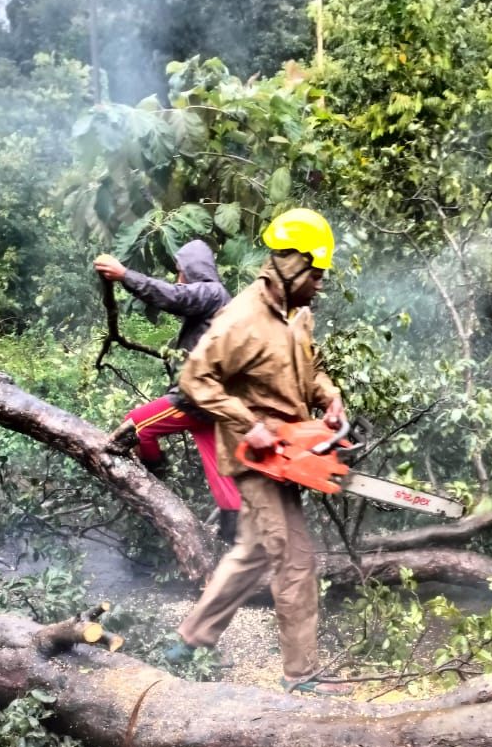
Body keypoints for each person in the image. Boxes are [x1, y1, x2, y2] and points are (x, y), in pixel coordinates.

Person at [164, 208, 353, 696]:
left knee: (251, 552)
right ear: (291, 266)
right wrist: (249, 424)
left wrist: (329, 398)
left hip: (289, 452)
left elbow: (309, 375)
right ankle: (302, 676)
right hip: (255, 460)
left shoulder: (294, 317)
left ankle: (187, 640)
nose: (319, 285)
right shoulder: (241, 319)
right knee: (294, 561)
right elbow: (194, 379)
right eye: (316, 275)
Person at [94, 241, 241, 543]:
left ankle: (154, 475)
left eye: (179, 272)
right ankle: (236, 542)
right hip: (213, 401)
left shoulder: (211, 292)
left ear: (192, 270)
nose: (178, 279)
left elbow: (172, 296)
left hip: (196, 397)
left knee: (135, 426)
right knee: (221, 473)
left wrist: (124, 275)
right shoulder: (217, 300)